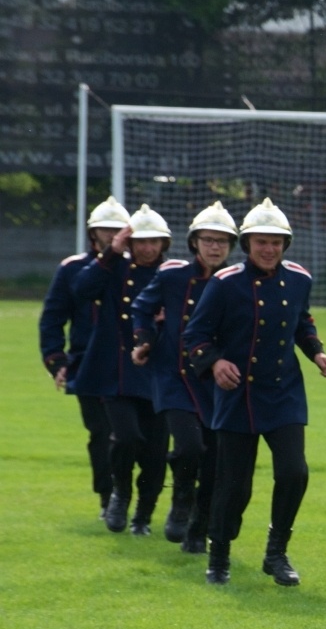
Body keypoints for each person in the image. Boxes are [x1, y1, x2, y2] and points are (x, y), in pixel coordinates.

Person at [183, 198, 326, 585]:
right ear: (247, 244)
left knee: (294, 472)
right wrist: (215, 362)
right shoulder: (224, 283)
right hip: (237, 397)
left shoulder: (300, 278)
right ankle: (219, 555)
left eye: (276, 242)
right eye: (260, 242)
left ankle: (277, 553)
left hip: (284, 391)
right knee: (234, 485)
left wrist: (317, 353)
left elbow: (302, 323)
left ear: (286, 245)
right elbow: (195, 335)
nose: (269, 249)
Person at [131, 202, 236, 551]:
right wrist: (145, 340)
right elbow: (142, 307)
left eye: (223, 241)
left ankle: (198, 530)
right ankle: (180, 501)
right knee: (190, 446)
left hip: (216, 382)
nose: (215, 247)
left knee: (215, 461)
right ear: (194, 242)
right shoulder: (172, 275)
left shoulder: (236, 281)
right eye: (208, 239)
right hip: (172, 377)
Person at [73, 204, 174, 534]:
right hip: (116, 373)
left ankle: (144, 513)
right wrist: (110, 254)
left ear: (164, 244)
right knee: (125, 437)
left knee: (156, 452)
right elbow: (81, 290)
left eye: (153, 242)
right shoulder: (113, 269)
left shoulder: (174, 274)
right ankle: (119, 495)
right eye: (140, 242)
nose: (146, 248)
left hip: (160, 374)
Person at [39, 196, 127, 520]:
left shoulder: (138, 269)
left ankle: (134, 496)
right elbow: (52, 318)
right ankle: (108, 497)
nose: (113, 236)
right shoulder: (72, 268)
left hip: (131, 366)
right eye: (107, 230)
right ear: (94, 233)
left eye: (119, 230)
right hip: (88, 365)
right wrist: (56, 361)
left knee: (136, 435)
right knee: (101, 433)